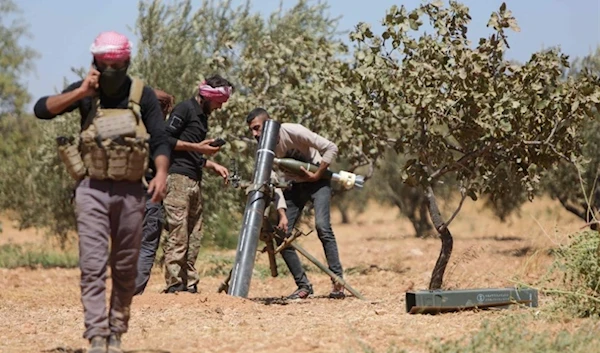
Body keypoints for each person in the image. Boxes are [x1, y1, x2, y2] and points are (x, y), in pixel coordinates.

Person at [33, 31, 170, 353]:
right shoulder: (85, 92)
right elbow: (42, 109)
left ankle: (116, 332)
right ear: (94, 61)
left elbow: (161, 138)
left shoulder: (142, 94)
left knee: (124, 267)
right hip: (92, 189)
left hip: (131, 193)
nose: (111, 69)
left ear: (127, 61)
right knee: (92, 264)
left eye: (117, 63)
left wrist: (161, 172)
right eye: (105, 62)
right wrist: (81, 91)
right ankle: (96, 335)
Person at [245, 108, 346, 300]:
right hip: (294, 187)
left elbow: (331, 148)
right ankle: (303, 286)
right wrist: (282, 213)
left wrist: (317, 174)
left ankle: (337, 282)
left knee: (323, 227)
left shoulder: (293, 131)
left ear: (269, 124)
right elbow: (273, 183)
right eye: (251, 130)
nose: (254, 134)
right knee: (282, 236)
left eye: (257, 128)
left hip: (319, 181)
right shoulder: (264, 150)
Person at [161, 75, 233, 294]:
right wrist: (199, 148)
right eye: (219, 102)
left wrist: (211, 164)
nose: (220, 107)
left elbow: (191, 152)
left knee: (194, 235)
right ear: (209, 96)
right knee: (179, 235)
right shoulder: (184, 109)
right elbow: (164, 139)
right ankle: (174, 285)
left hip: (194, 180)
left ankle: (189, 283)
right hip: (178, 181)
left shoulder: (202, 117)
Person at [133, 89, 175, 296]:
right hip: (149, 193)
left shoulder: (129, 130)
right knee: (148, 243)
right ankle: (133, 291)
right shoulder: (160, 133)